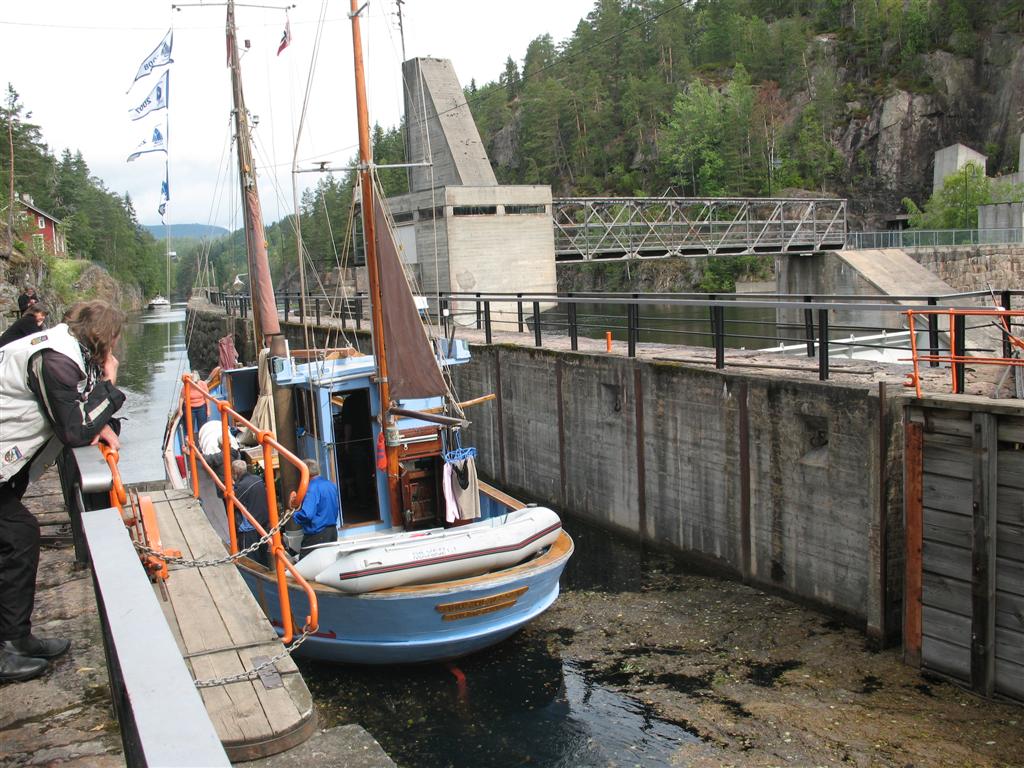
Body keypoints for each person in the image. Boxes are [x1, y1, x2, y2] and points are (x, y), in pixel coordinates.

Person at [0, 299, 125, 683]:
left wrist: (102, 420)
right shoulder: (55, 359)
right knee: (19, 536)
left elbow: (76, 405)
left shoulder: (65, 350)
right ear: (104, 338)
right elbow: (74, 428)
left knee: (15, 537)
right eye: (114, 340)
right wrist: (110, 384)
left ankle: (16, 638)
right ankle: (8, 648)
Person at [291, 459, 340, 557]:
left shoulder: (312, 488)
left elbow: (307, 515)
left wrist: (293, 514)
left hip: (317, 534)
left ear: (304, 473)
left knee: (306, 563)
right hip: (332, 531)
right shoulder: (330, 484)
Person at [230, 460, 270, 567]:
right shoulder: (257, 479)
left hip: (249, 527)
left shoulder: (242, 486)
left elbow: (232, 503)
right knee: (263, 557)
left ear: (235, 473)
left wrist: (233, 486)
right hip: (263, 523)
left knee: (250, 560)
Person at [187, 371, 209, 436]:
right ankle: (191, 438)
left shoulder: (203, 384)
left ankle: (201, 437)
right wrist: (180, 410)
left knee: (202, 425)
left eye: (196, 382)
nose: (195, 384)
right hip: (190, 407)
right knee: (190, 426)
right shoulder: (187, 384)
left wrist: (208, 410)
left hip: (201, 407)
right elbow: (182, 397)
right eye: (193, 382)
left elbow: (207, 397)